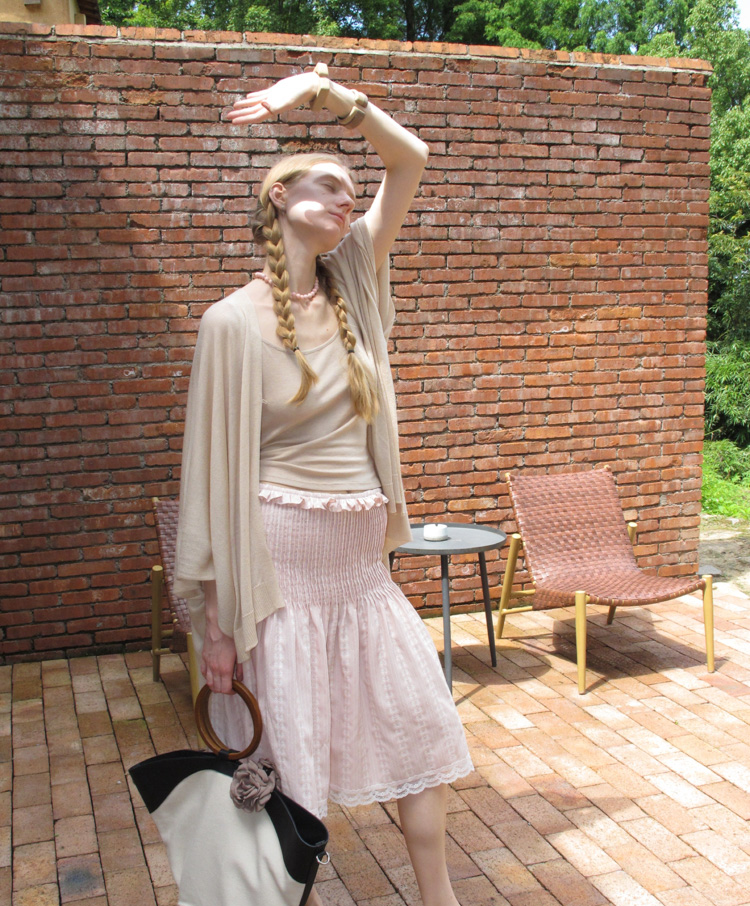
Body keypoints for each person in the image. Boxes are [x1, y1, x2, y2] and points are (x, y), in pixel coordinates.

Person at [174, 65, 473, 906]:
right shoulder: (230, 323)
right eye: (330, 185)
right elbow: (209, 479)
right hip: (280, 577)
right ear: (279, 197)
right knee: (290, 770)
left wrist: (323, 92)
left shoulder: (356, 285)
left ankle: (440, 899)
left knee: (421, 730)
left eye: (351, 189)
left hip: (362, 571)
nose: (349, 198)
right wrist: (216, 628)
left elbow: (410, 159)